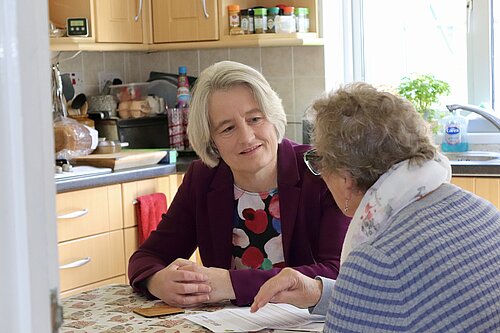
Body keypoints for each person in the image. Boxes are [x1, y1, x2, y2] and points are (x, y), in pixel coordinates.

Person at [251, 82, 500, 332]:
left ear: (347, 179)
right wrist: (319, 292)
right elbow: (416, 298)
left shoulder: (377, 261)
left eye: (320, 162)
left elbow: (388, 287)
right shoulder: (484, 212)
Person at [128, 61, 350, 307]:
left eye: (255, 118)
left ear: (273, 117)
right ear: (211, 141)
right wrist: (158, 281)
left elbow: (337, 273)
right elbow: (147, 257)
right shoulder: (202, 178)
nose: (246, 137)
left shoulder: (321, 171)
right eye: (228, 128)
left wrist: (229, 283)